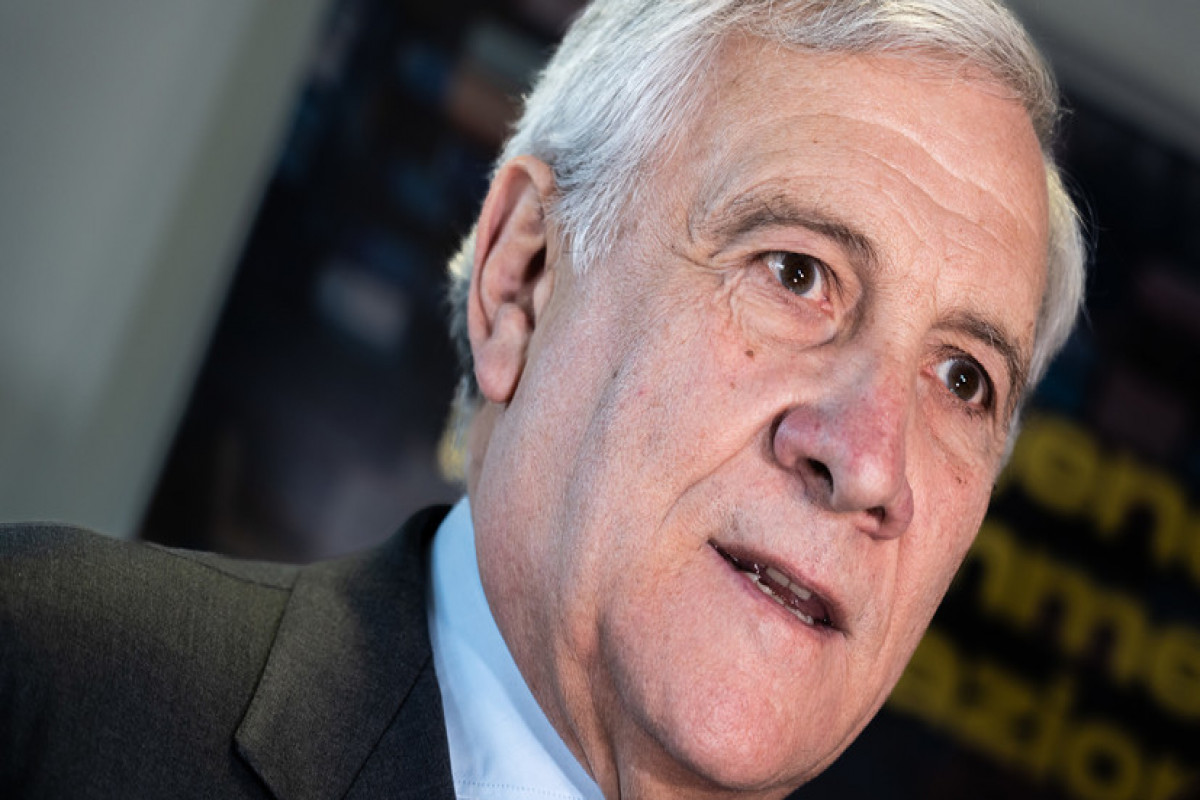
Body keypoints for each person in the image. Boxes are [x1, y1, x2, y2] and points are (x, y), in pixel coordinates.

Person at [0, 1, 1085, 798]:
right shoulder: (50, 688)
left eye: (964, 378)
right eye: (795, 272)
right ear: (522, 281)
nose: (872, 462)